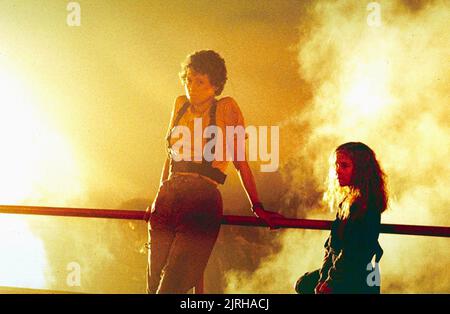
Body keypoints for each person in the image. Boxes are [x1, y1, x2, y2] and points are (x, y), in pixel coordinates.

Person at [144, 50, 283, 294]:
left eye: (199, 82)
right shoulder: (179, 105)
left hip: (201, 198)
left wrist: (257, 206)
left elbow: (240, 161)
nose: (191, 87)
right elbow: (170, 158)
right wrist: (158, 195)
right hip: (167, 198)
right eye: (188, 79)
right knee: (153, 278)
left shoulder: (227, 108)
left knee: (173, 281)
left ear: (215, 85)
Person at [295, 142, 388, 294]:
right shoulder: (348, 200)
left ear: (361, 170)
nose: (338, 171)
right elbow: (331, 245)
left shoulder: (366, 205)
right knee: (303, 284)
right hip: (344, 269)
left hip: (355, 275)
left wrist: (331, 281)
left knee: (305, 286)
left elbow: (353, 252)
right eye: (337, 165)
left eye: (344, 166)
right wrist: (324, 277)